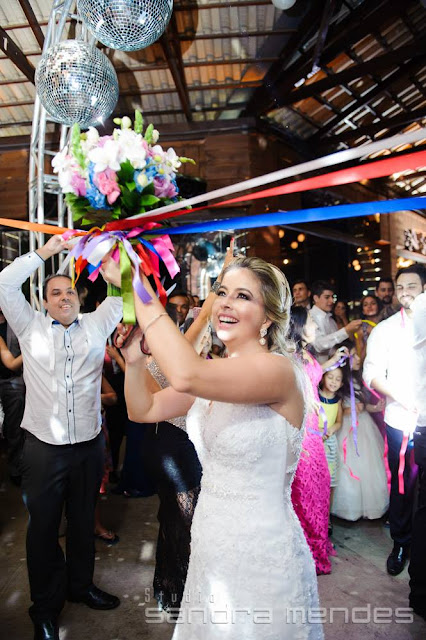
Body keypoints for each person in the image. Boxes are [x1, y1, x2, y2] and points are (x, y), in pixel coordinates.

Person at [106, 255, 323, 639]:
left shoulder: (278, 371)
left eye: (243, 296)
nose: (225, 303)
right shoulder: (216, 374)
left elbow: (186, 373)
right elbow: (144, 409)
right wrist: (135, 362)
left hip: (262, 550)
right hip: (210, 537)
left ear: (268, 317)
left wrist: (135, 282)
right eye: (222, 292)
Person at [0, 236, 123, 640]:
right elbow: (4, 283)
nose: (64, 296)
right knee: (43, 529)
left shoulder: (97, 323)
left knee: (84, 520)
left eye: (69, 290)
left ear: (79, 296)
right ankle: (45, 609)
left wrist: (110, 259)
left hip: (89, 444)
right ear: (44, 300)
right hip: (43, 449)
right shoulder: (29, 324)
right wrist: (47, 252)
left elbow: (123, 293)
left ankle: (81, 586)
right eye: (55, 292)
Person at [364, 264, 426, 577]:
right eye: (400, 287)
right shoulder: (385, 330)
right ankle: (401, 543)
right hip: (403, 419)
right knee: (404, 484)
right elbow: (371, 373)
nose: (404, 292)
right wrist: (400, 397)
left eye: (411, 286)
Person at [289, 306, 334, 575]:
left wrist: (333, 361)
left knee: (320, 483)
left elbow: (312, 377)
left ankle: (318, 542)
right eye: (311, 323)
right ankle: (308, 552)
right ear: (298, 326)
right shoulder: (291, 358)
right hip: (303, 429)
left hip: (315, 427)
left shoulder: (307, 353)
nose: (316, 326)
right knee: (306, 489)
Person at [331, 351, 389, 521]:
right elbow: (337, 408)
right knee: (347, 464)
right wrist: (348, 411)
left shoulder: (359, 379)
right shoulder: (339, 381)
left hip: (364, 425)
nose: (358, 359)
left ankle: (369, 507)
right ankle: (349, 509)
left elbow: (363, 406)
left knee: (368, 464)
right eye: (354, 356)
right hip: (347, 427)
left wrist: (375, 408)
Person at [0, 307, 26, 485]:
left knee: (15, 428)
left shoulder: (16, 322)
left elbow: (12, 364)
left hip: (13, 381)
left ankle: (15, 468)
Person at [318, 365, 344, 531]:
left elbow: (339, 421)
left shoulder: (338, 401)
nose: (333, 382)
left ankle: (327, 519)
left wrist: (331, 430)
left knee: (330, 481)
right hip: (315, 440)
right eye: (330, 377)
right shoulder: (315, 396)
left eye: (338, 379)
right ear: (323, 377)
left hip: (330, 442)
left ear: (342, 383)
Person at [310, 280, 361, 363]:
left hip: (334, 367)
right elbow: (319, 345)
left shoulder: (331, 320)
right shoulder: (309, 317)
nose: (331, 301)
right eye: (327, 297)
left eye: (332, 297)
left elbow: (335, 346)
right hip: (317, 367)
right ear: (316, 298)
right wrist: (346, 330)